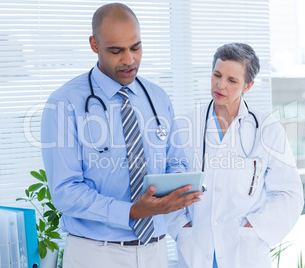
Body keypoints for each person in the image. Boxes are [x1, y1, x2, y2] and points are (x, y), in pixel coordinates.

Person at [40, 3, 202, 268]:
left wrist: (178, 188)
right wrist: (132, 211)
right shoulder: (64, 103)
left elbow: (176, 161)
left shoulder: (157, 97)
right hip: (97, 254)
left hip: (156, 250)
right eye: (116, 51)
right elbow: (65, 191)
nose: (129, 60)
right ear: (94, 44)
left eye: (136, 47)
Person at [174, 43, 304, 268]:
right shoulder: (185, 127)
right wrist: (180, 229)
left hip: (245, 254)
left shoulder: (267, 130)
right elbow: (168, 185)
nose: (220, 85)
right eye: (217, 75)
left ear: (248, 85)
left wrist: (253, 229)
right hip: (195, 249)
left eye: (232, 80)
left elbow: (289, 194)